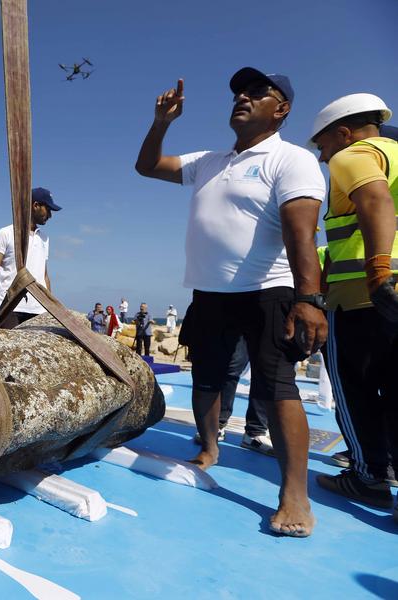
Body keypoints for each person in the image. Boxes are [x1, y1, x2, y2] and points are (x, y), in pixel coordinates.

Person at [135, 68, 327, 537]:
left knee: (277, 387)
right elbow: (147, 166)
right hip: (209, 292)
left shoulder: (292, 159)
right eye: (240, 91)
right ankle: (208, 447)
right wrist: (161, 123)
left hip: (269, 290)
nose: (243, 97)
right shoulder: (208, 161)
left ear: (281, 109)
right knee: (206, 377)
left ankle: (294, 493)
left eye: (258, 92)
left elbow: (301, 234)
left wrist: (309, 299)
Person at [309, 93, 398, 515]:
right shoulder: (395, 154)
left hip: (360, 298)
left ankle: (368, 477)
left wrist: (378, 270)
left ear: (343, 134)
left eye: (322, 145)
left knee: (355, 391)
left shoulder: (353, 155)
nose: (322, 156)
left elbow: (375, 201)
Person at [0, 187, 60, 327]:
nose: (50, 215)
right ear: (35, 205)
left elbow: (44, 275)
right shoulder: (5, 233)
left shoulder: (44, 238)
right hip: (9, 306)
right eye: (48, 209)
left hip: (38, 308)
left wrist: (50, 305)